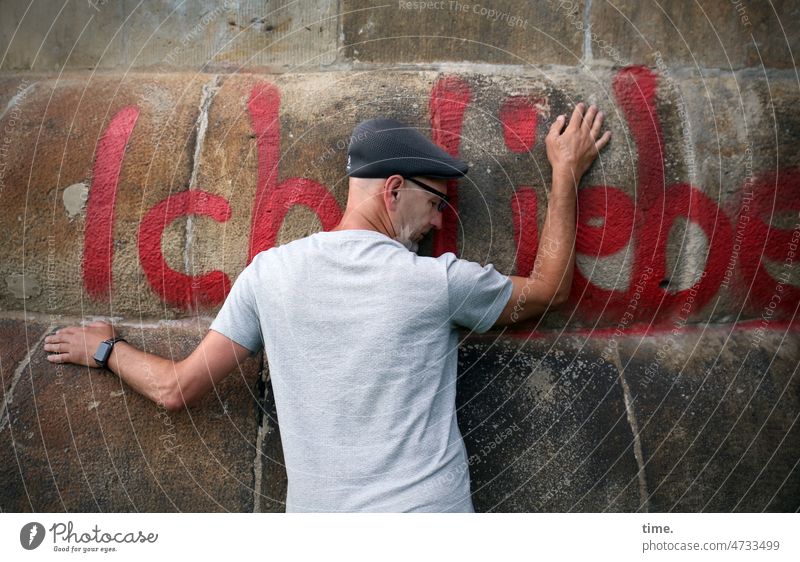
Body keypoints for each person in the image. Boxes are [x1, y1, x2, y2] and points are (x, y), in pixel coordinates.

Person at [45, 103, 610, 512]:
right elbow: (550, 289)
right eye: (435, 201)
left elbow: (176, 388)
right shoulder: (434, 282)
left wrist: (103, 348)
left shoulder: (270, 273)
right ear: (393, 190)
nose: (440, 219)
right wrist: (564, 171)